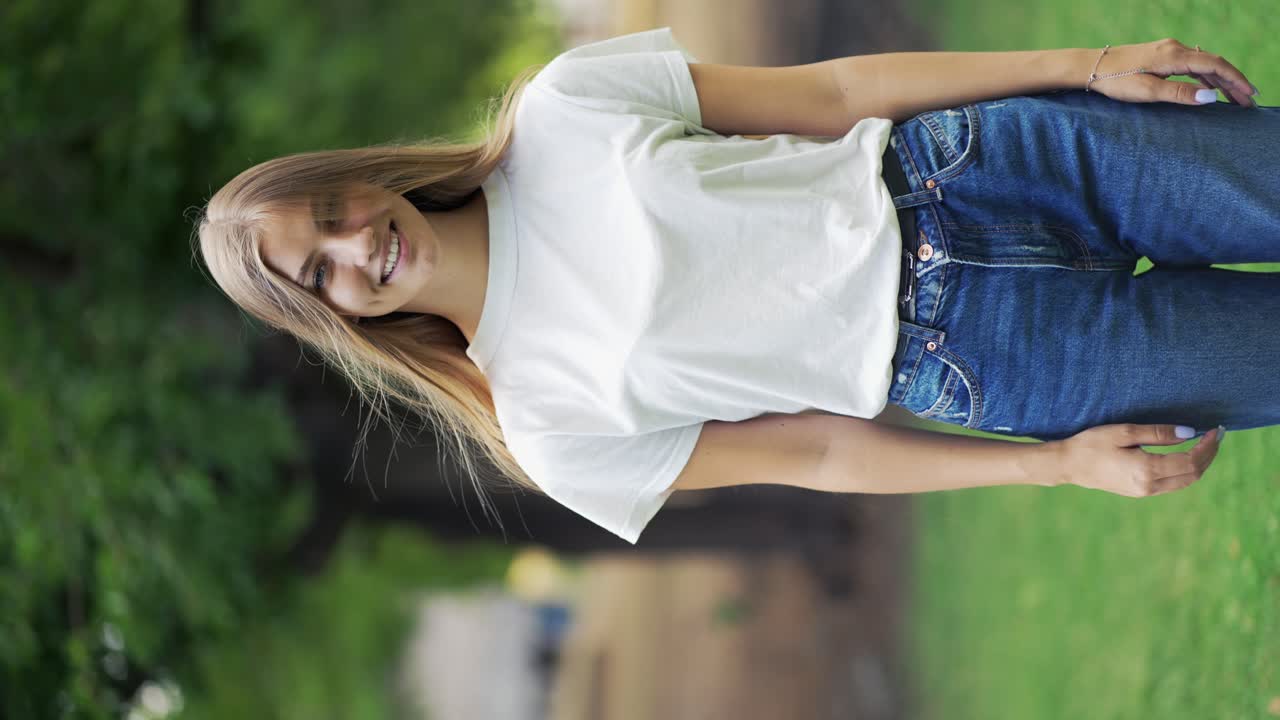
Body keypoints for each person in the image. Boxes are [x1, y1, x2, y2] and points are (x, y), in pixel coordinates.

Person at [196, 28, 1266, 544]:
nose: (353, 248)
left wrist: (1083, 65)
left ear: (357, 179)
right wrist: (1054, 472)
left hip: (984, 167)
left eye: (330, 213)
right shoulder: (546, 430)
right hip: (992, 356)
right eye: (317, 271)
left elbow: (836, 90)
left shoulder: (563, 106)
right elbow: (817, 450)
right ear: (328, 318)